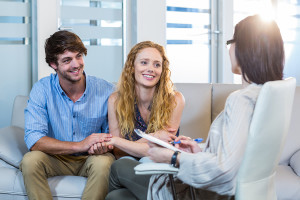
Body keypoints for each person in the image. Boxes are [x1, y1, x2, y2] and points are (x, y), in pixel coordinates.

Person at [106, 14, 285, 200]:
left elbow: (224, 171)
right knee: (118, 197)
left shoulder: (241, 101)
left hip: (206, 194)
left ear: (246, 48)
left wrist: (173, 158)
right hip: (244, 192)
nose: (229, 49)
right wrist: (199, 151)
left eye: (231, 41)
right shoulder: (269, 96)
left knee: (119, 168)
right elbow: (238, 155)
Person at [20, 30, 115, 200]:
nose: (76, 64)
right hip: (55, 158)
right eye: (67, 60)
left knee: (105, 162)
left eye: (78, 56)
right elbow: (34, 140)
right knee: (30, 161)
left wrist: (104, 145)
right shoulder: (42, 89)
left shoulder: (106, 90)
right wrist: (80, 145)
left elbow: (115, 136)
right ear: (53, 64)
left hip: (91, 158)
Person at [104, 41, 185, 199]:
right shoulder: (115, 100)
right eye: (144, 62)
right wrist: (154, 137)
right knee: (118, 184)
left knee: (116, 193)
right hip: (127, 163)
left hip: (159, 164)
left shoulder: (175, 100)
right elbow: (118, 152)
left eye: (157, 64)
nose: (151, 69)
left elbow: (161, 149)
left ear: (163, 70)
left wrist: (117, 140)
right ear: (132, 66)